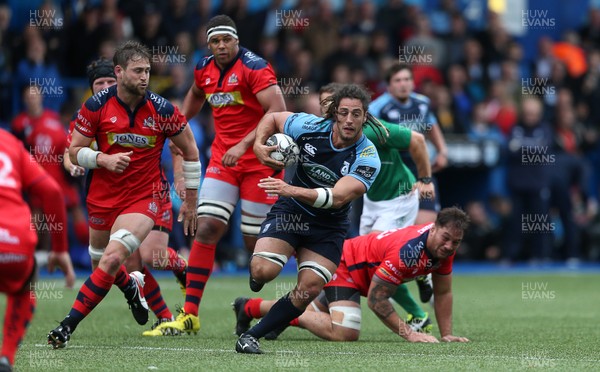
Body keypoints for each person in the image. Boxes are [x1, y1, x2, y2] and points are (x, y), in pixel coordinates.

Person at [47, 40, 200, 349]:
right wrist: (102, 159)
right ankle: (132, 289)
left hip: (144, 196)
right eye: (138, 71)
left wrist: (192, 200)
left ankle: (66, 326)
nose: (144, 77)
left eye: (147, 71)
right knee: (103, 266)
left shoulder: (162, 109)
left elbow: (190, 149)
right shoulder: (94, 107)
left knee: (121, 257)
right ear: (119, 72)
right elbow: (74, 152)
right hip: (102, 197)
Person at [151, 14, 286, 336]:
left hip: (260, 162)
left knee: (259, 253)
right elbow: (197, 94)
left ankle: (264, 293)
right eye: (215, 41)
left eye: (227, 39)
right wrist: (179, 123)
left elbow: (278, 110)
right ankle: (190, 314)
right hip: (223, 161)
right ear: (208, 44)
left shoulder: (254, 67)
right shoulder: (204, 68)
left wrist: (243, 146)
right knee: (207, 226)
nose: (221, 46)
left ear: (236, 41)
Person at [232, 83, 382, 354]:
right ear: (334, 112)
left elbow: (337, 197)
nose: (349, 120)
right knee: (262, 271)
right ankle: (257, 279)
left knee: (308, 289)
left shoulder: (368, 156)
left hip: (328, 226)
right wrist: (257, 146)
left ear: (365, 117)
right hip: (292, 212)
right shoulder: (309, 126)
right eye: (344, 112)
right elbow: (273, 117)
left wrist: (291, 189)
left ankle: (250, 336)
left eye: (356, 114)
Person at [233, 207, 470, 344]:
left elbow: (443, 291)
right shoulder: (409, 252)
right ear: (434, 228)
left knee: (311, 308)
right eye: (446, 238)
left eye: (455, 242)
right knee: (346, 331)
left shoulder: (443, 249)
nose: (449, 246)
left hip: (361, 271)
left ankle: (248, 307)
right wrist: (409, 334)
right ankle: (290, 317)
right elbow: (377, 301)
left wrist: (447, 333)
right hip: (345, 266)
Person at [319, 83, 436, 332]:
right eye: (326, 106)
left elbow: (417, 139)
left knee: (375, 261)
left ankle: (418, 313)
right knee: (366, 261)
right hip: (373, 201)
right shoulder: (324, 135)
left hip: (399, 196)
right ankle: (418, 275)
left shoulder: (373, 130)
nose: (329, 111)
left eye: (334, 106)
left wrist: (426, 180)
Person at [0, 128, 74, 371]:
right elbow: (52, 192)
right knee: (25, 285)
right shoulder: (9, 141)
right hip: (15, 242)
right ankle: (6, 356)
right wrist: (60, 249)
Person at [369, 63, 448, 225]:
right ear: (389, 86)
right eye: (397, 80)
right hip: (393, 172)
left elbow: (431, 126)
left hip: (421, 169)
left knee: (426, 225)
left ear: (413, 83)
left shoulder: (422, 103)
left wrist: (442, 151)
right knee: (397, 227)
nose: (403, 84)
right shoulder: (377, 108)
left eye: (406, 79)